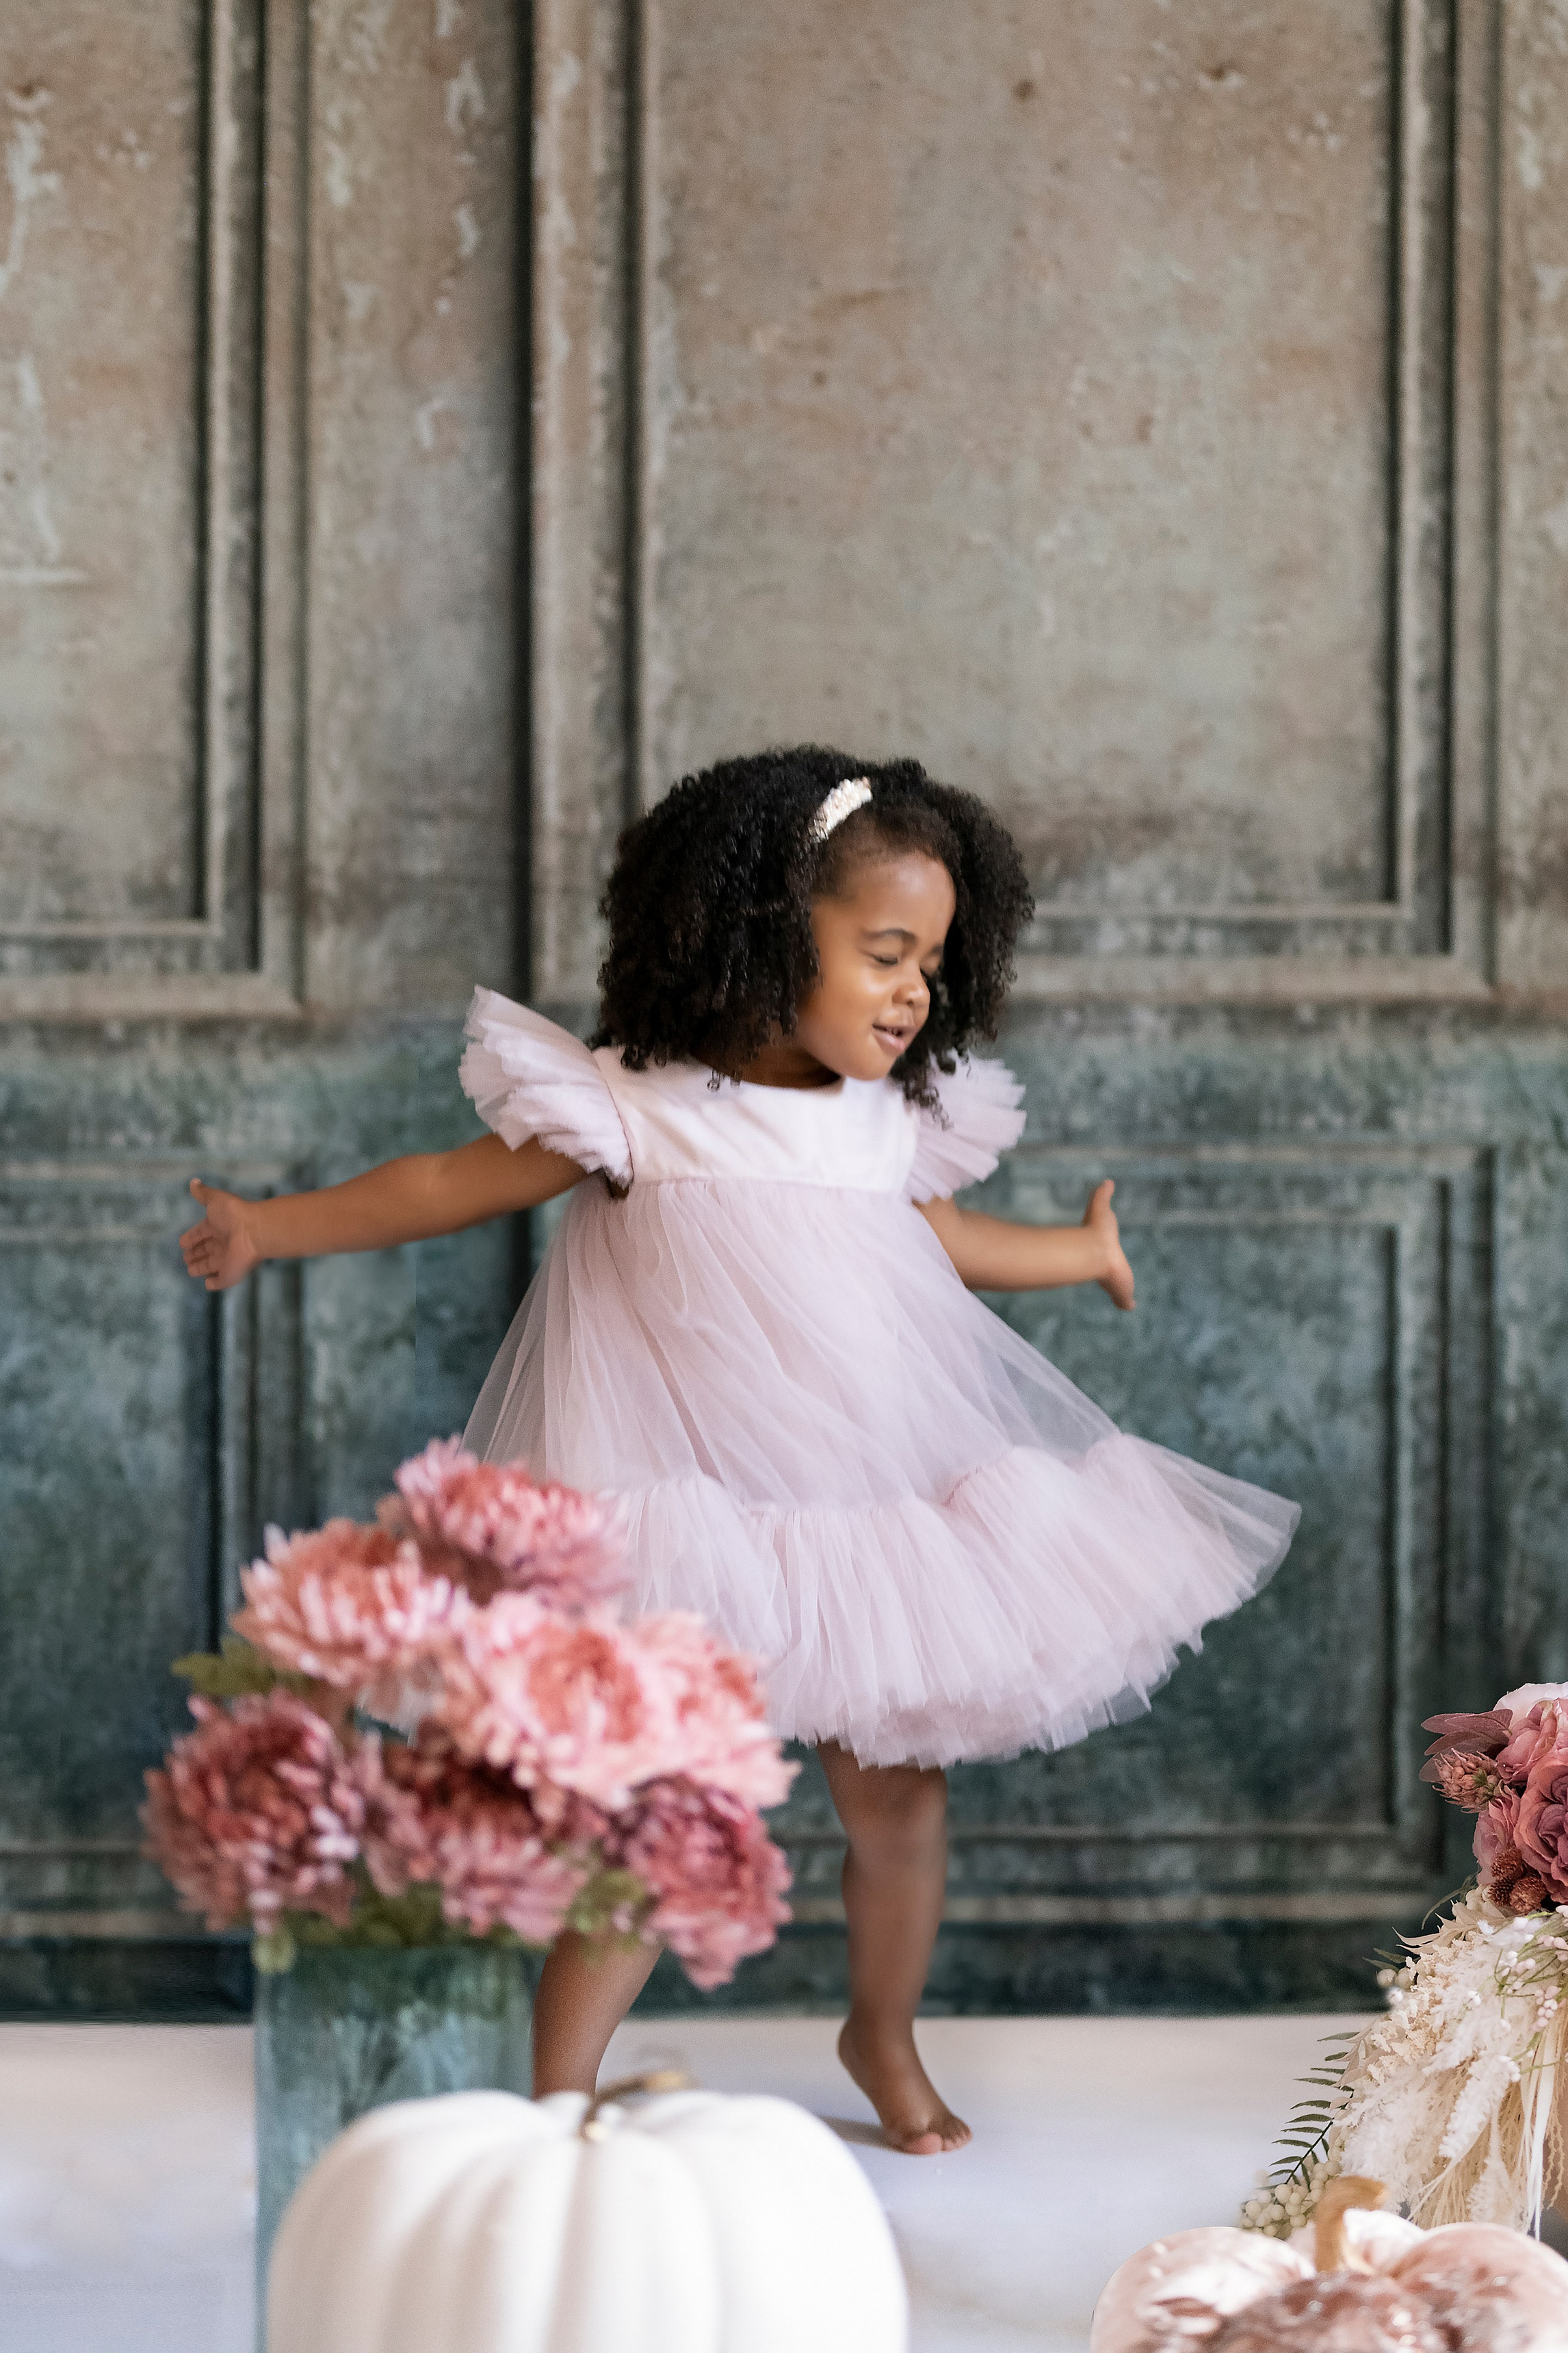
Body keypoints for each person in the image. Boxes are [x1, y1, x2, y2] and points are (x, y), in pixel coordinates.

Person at [180, 746, 1297, 2155]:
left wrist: (1078, 1252)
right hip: (691, 1515)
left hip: (869, 1511)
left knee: (896, 1802)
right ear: (768, 932)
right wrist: (271, 1225)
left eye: (930, 963)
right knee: (660, 1800)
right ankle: (556, 2099)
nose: (914, 991)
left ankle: (882, 2030)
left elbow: (946, 1245)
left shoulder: (886, 1123)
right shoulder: (638, 1104)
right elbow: (445, 1184)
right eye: (883, 953)